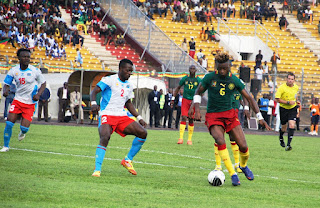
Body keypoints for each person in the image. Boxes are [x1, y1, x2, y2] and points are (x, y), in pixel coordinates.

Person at [191, 52, 270, 185]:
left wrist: (259, 116)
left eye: (225, 68)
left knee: (243, 146)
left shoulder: (234, 80)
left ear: (229, 66)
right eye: (220, 68)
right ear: (216, 66)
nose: (222, 71)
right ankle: (233, 174)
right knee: (220, 140)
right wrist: (197, 109)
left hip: (230, 116)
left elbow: (250, 98)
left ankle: (243, 166)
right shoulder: (209, 77)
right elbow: (198, 92)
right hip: (214, 116)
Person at [90, 59, 147, 177]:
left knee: (142, 133)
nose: (130, 73)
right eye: (128, 70)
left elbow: (128, 103)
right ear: (120, 69)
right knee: (105, 136)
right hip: (106, 114)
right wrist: (93, 103)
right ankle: (97, 169)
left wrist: (139, 117)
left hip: (121, 116)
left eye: (131, 71)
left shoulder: (129, 85)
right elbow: (94, 92)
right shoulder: (109, 80)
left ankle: (127, 160)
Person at [0, 49, 46, 152]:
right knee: (9, 123)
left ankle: (22, 133)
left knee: (24, 128)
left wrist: (38, 94)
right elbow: (6, 83)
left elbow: (43, 83)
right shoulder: (13, 70)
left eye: (28, 57)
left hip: (30, 103)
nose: (27, 59)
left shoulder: (35, 71)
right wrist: (5, 91)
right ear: (19, 58)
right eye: (24, 57)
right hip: (17, 100)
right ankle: (6, 146)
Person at [171, 65, 201, 145]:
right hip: (185, 100)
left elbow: (201, 91)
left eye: (193, 68)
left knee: (191, 119)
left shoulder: (198, 80)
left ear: (196, 70)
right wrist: (173, 99)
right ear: (188, 69)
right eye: (191, 68)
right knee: (184, 117)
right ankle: (181, 138)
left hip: (193, 101)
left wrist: (196, 100)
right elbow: (178, 88)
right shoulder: (185, 78)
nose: (192, 70)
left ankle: (189, 139)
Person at [275, 72, 299, 151]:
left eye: (292, 79)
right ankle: (281, 137)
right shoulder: (282, 87)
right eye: (289, 79)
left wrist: (297, 101)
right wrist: (288, 102)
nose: (290, 80)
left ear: (294, 80)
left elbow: (296, 96)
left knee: (292, 125)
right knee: (284, 127)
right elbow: (277, 99)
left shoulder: (296, 87)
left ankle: (288, 145)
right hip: (283, 109)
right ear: (286, 79)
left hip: (292, 108)